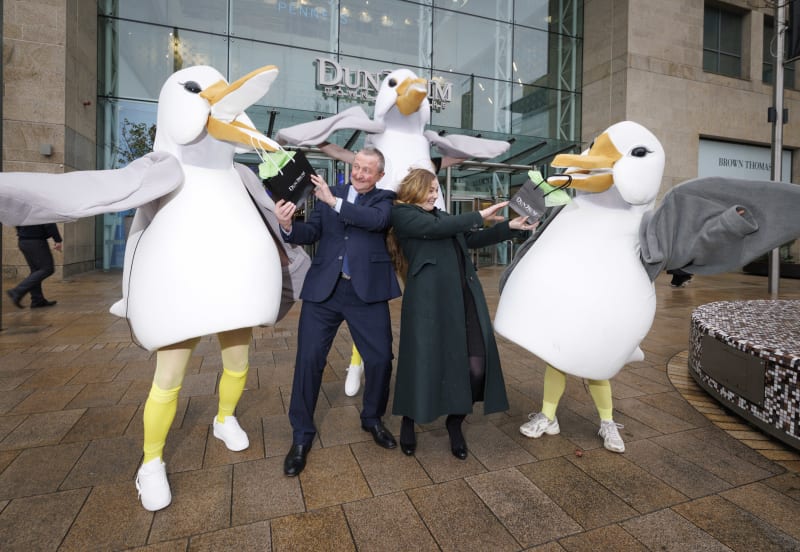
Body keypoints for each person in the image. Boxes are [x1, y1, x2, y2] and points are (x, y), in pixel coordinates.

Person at [389, 168, 536, 459]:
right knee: (421, 362)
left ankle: (455, 422)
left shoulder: (444, 217)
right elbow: (435, 230)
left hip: (464, 297)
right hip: (427, 303)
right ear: (415, 190)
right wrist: (478, 216)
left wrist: (510, 226)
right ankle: (408, 421)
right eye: (428, 189)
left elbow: (471, 239)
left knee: (476, 364)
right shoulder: (403, 215)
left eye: (435, 190)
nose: (433, 195)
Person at [275, 147, 401, 476]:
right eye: (356, 166)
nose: (359, 173)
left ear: (379, 176)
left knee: (380, 360)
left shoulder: (385, 199)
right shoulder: (332, 194)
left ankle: (372, 418)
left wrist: (334, 202)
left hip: (366, 293)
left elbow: (375, 222)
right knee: (308, 361)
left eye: (367, 170)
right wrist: (287, 225)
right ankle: (301, 435)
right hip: (324, 292)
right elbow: (312, 232)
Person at [7, 223, 63, 308]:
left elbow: (17, 222)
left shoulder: (25, 209)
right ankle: (17, 291)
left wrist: (24, 232)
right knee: (47, 268)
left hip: (23, 241)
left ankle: (37, 300)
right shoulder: (42, 209)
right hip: (36, 242)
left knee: (36, 271)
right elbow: (49, 222)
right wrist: (57, 240)